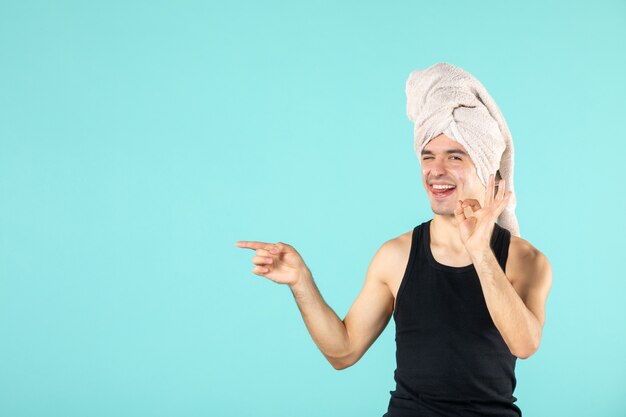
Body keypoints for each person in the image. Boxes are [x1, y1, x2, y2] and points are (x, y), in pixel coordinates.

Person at [236, 62, 552, 417]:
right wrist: (301, 281)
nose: (436, 170)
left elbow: (524, 343)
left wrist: (479, 249)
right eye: (428, 156)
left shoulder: (526, 260)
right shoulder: (396, 256)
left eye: (455, 157)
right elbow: (343, 352)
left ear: (485, 167)